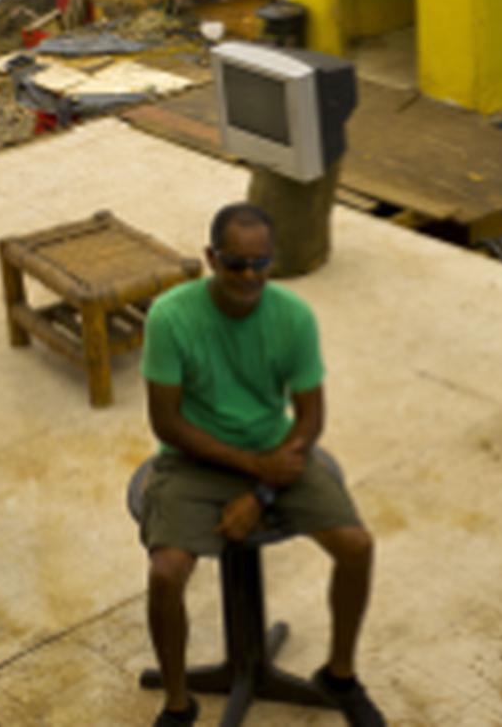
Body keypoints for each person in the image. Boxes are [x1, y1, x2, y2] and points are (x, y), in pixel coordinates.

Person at [137, 202, 382, 727]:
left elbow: (311, 415)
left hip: (276, 454)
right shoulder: (171, 316)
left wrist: (263, 490)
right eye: (235, 264)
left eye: (260, 264)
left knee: (357, 547)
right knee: (166, 574)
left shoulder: (293, 316)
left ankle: (339, 675)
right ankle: (178, 705)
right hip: (193, 458)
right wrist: (252, 466)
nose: (249, 277)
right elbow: (167, 423)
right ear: (211, 258)